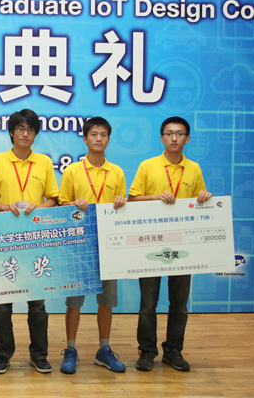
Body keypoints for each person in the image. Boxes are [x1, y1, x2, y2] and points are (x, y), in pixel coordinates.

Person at [128, 116, 212, 372]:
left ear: (187, 138)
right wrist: (155, 197)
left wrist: (205, 197)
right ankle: (147, 352)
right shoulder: (147, 166)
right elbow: (132, 200)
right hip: (150, 243)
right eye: (169, 133)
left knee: (179, 305)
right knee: (147, 304)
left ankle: (173, 351)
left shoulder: (194, 169)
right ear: (162, 138)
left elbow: (200, 203)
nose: (174, 138)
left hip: (183, 246)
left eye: (179, 133)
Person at [0, 109, 59, 374]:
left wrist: (39, 207)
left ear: (35, 134)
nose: (25, 134)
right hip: (5, 239)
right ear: (11, 132)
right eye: (20, 128)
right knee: (3, 305)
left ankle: (39, 354)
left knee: (37, 304)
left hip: (36, 240)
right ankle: (3, 354)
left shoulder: (44, 162)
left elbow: (54, 198)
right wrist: (5, 207)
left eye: (30, 129)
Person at [58, 117, 127, 374]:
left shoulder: (117, 172)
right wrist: (73, 204)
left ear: (108, 139)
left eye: (103, 135)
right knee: (74, 301)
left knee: (106, 301)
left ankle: (104, 350)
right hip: (79, 243)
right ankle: (71, 349)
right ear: (85, 138)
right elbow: (61, 204)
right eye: (94, 134)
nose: (99, 138)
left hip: (108, 243)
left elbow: (123, 206)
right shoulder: (72, 171)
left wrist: (122, 203)